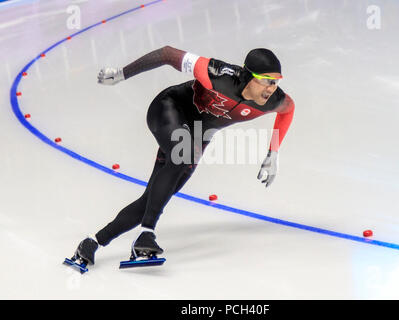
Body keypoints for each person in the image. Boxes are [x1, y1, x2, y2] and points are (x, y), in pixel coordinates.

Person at [69, 46, 295, 268]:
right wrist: (121, 74)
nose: (272, 88)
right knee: (186, 153)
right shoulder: (217, 74)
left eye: (276, 82)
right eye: (267, 81)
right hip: (169, 108)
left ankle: (92, 242)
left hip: (197, 135)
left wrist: (273, 152)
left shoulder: (275, 99)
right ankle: (146, 233)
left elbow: (288, 110)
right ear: (248, 76)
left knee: (156, 196)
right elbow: (167, 54)